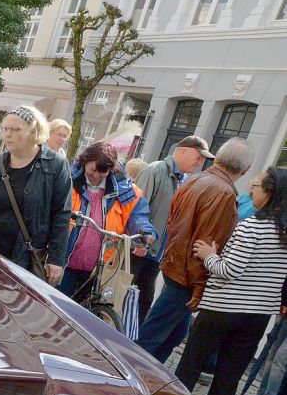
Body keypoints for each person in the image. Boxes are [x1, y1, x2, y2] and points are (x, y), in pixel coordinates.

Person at [173, 167, 287, 395]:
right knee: (228, 378)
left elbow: (229, 269)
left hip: (222, 309)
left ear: (270, 192)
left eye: (258, 185)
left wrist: (209, 256)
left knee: (190, 366)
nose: (252, 190)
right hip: (257, 316)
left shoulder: (252, 227)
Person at [135, 138, 253, 364]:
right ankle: (126, 382)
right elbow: (206, 245)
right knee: (151, 337)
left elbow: (176, 225)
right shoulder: (223, 193)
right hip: (186, 277)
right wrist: (199, 288)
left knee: (172, 335)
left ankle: (149, 380)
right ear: (245, 169)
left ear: (217, 158)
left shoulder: (195, 180)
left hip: (176, 267)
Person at [0, 105, 71, 285]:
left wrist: (56, 259)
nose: (8, 134)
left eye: (16, 129)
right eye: (5, 129)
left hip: (22, 257)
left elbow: (61, 214)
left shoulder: (55, 165)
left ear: (34, 131)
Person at [131, 136, 214, 323]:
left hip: (156, 254)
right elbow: (135, 209)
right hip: (138, 251)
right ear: (182, 151)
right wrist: (139, 242)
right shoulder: (155, 170)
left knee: (143, 304)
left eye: (203, 159)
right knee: (126, 299)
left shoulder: (184, 179)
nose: (200, 162)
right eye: (198, 156)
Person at [57, 142, 156, 298]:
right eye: (93, 170)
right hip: (63, 262)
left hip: (101, 268)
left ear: (111, 170)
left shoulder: (127, 190)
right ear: (84, 162)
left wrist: (145, 234)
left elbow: (138, 216)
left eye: (102, 173)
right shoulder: (65, 180)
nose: (96, 176)